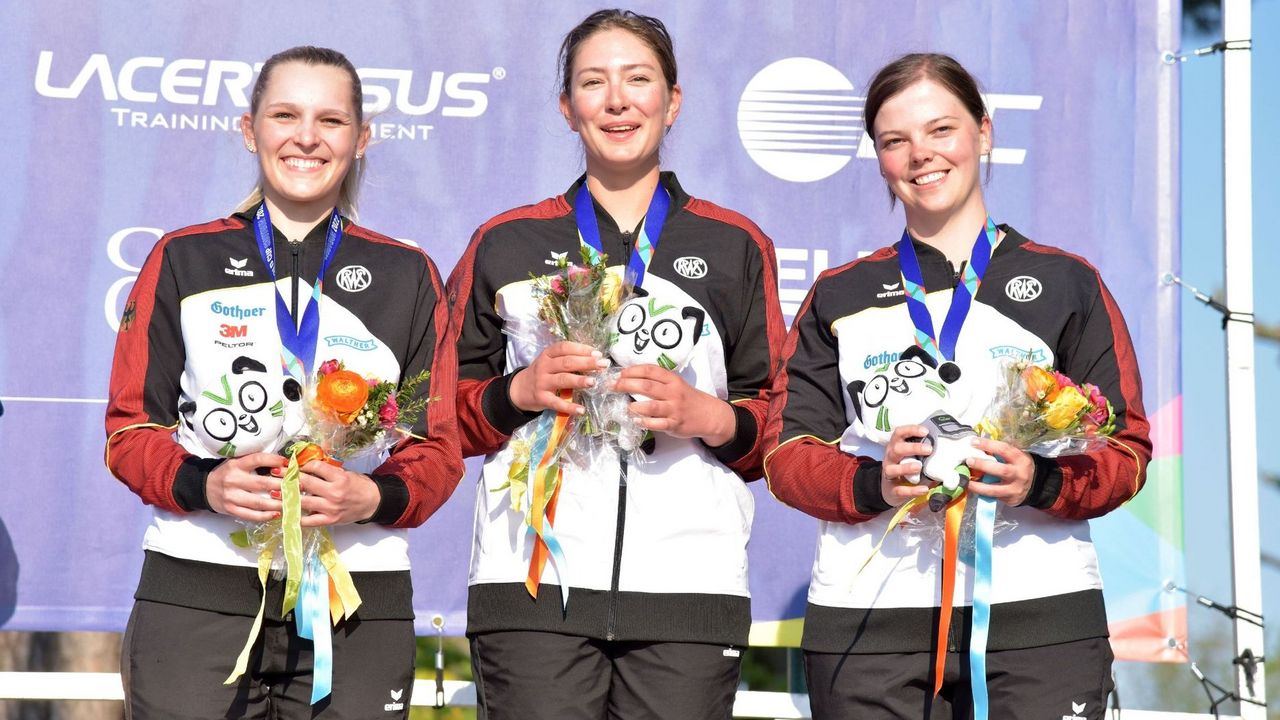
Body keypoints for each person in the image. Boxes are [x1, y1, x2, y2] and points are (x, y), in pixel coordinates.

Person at [763, 53, 1152, 720]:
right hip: (868, 623)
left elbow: (1128, 451)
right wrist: (869, 482)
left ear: (984, 132)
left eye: (940, 130)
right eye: (895, 141)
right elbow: (784, 454)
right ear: (879, 158)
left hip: (1037, 618)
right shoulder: (840, 294)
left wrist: (1041, 481)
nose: (920, 155)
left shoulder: (1066, 283)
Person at [104, 45, 462, 719]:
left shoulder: (407, 274)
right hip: (198, 590)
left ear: (361, 138)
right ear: (250, 129)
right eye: (285, 115)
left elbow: (438, 449)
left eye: (330, 120)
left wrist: (370, 495)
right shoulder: (184, 257)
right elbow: (129, 431)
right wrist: (201, 483)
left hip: (355, 601)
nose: (306, 137)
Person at [448, 9, 785, 719]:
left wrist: (709, 416)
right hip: (531, 586)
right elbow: (444, 416)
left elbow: (778, 422)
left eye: (639, 79)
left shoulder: (734, 245)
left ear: (674, 100)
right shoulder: (506, 242)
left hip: (688, 589)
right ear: (568, 108)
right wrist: (520, 391)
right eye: (593, 82)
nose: (617, 99)